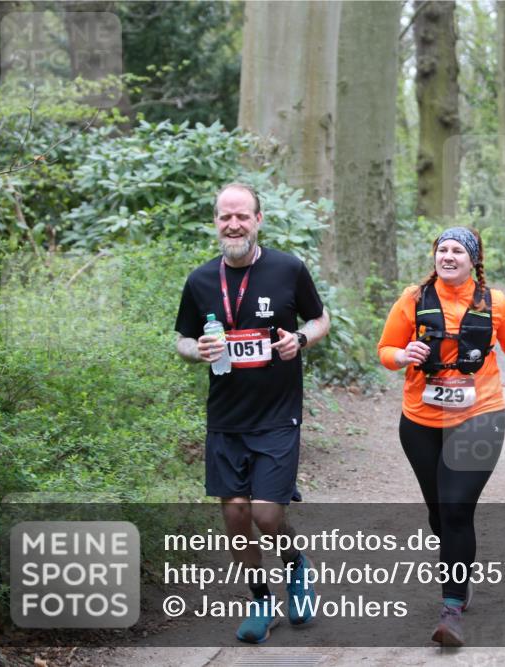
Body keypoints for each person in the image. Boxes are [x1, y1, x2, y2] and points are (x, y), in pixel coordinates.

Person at [174, 183, 331, 644]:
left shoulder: (287, 269)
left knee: (265, 515)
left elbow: (321, 319)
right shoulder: (201, 280)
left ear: (258, 220)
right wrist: (195, 349)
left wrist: (299, 340)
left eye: (242, 216)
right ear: (216, 222)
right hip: (226, 417)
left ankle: (295, 562)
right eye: (226, 217)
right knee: (236, 513)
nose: (234, 224)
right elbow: (180, 338)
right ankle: (260, 597)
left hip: (278, 413)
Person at [377, 226, 505, 647]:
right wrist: (403, 354)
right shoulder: (413, 299)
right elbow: (385, 350)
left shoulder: (494, 303)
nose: (448, 256)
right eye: (441, 250)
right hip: (421, 421)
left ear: (473, 260)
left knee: (456, 508)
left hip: (479, 415)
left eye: (457, 251)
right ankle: (460, 572)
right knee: (439, 516)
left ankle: (451, 609)